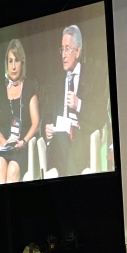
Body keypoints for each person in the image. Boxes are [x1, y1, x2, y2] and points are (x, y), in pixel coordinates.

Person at [43, 25, 108, 176]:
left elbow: (101, 114)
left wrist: (79, 104)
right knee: (60, 139)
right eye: (62, 49)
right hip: (59, 139)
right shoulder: (56, 81)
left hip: (81, 138)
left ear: (78, 51)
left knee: (74, 143)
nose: (63, 55)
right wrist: (46, 129)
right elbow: (47, 114)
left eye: (68, 49)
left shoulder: (94, 76)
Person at [0, 39, 39, 183]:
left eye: (16, 61)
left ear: (22, 63)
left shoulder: (29, 88)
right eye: (10, 61)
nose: (13, 66)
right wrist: (6, 144)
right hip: (5, 147)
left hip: (21, 148)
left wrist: (23, 141)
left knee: (12, 168)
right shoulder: (0, 91)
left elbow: (36, 124)